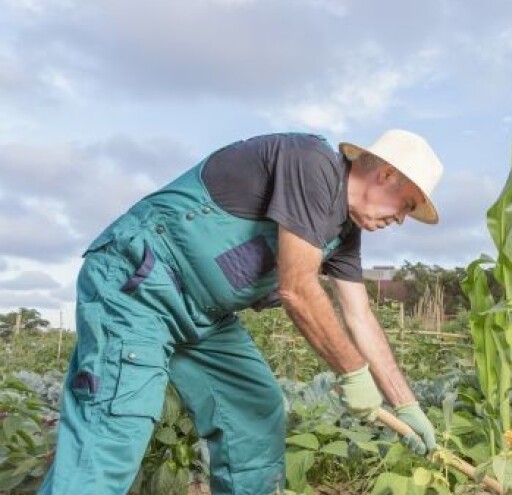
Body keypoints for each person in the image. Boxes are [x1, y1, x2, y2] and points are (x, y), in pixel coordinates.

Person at [39, 130, 443, 495]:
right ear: (387, 174)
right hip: (139, 282)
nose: (401, 219)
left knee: (254, 406)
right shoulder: (311, 163)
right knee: (117, 421)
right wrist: (354, 374)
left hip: (202, 314)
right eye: (406, 204)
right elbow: (298, 289)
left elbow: (361, 317)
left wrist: (406, 404)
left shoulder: (343, 235)